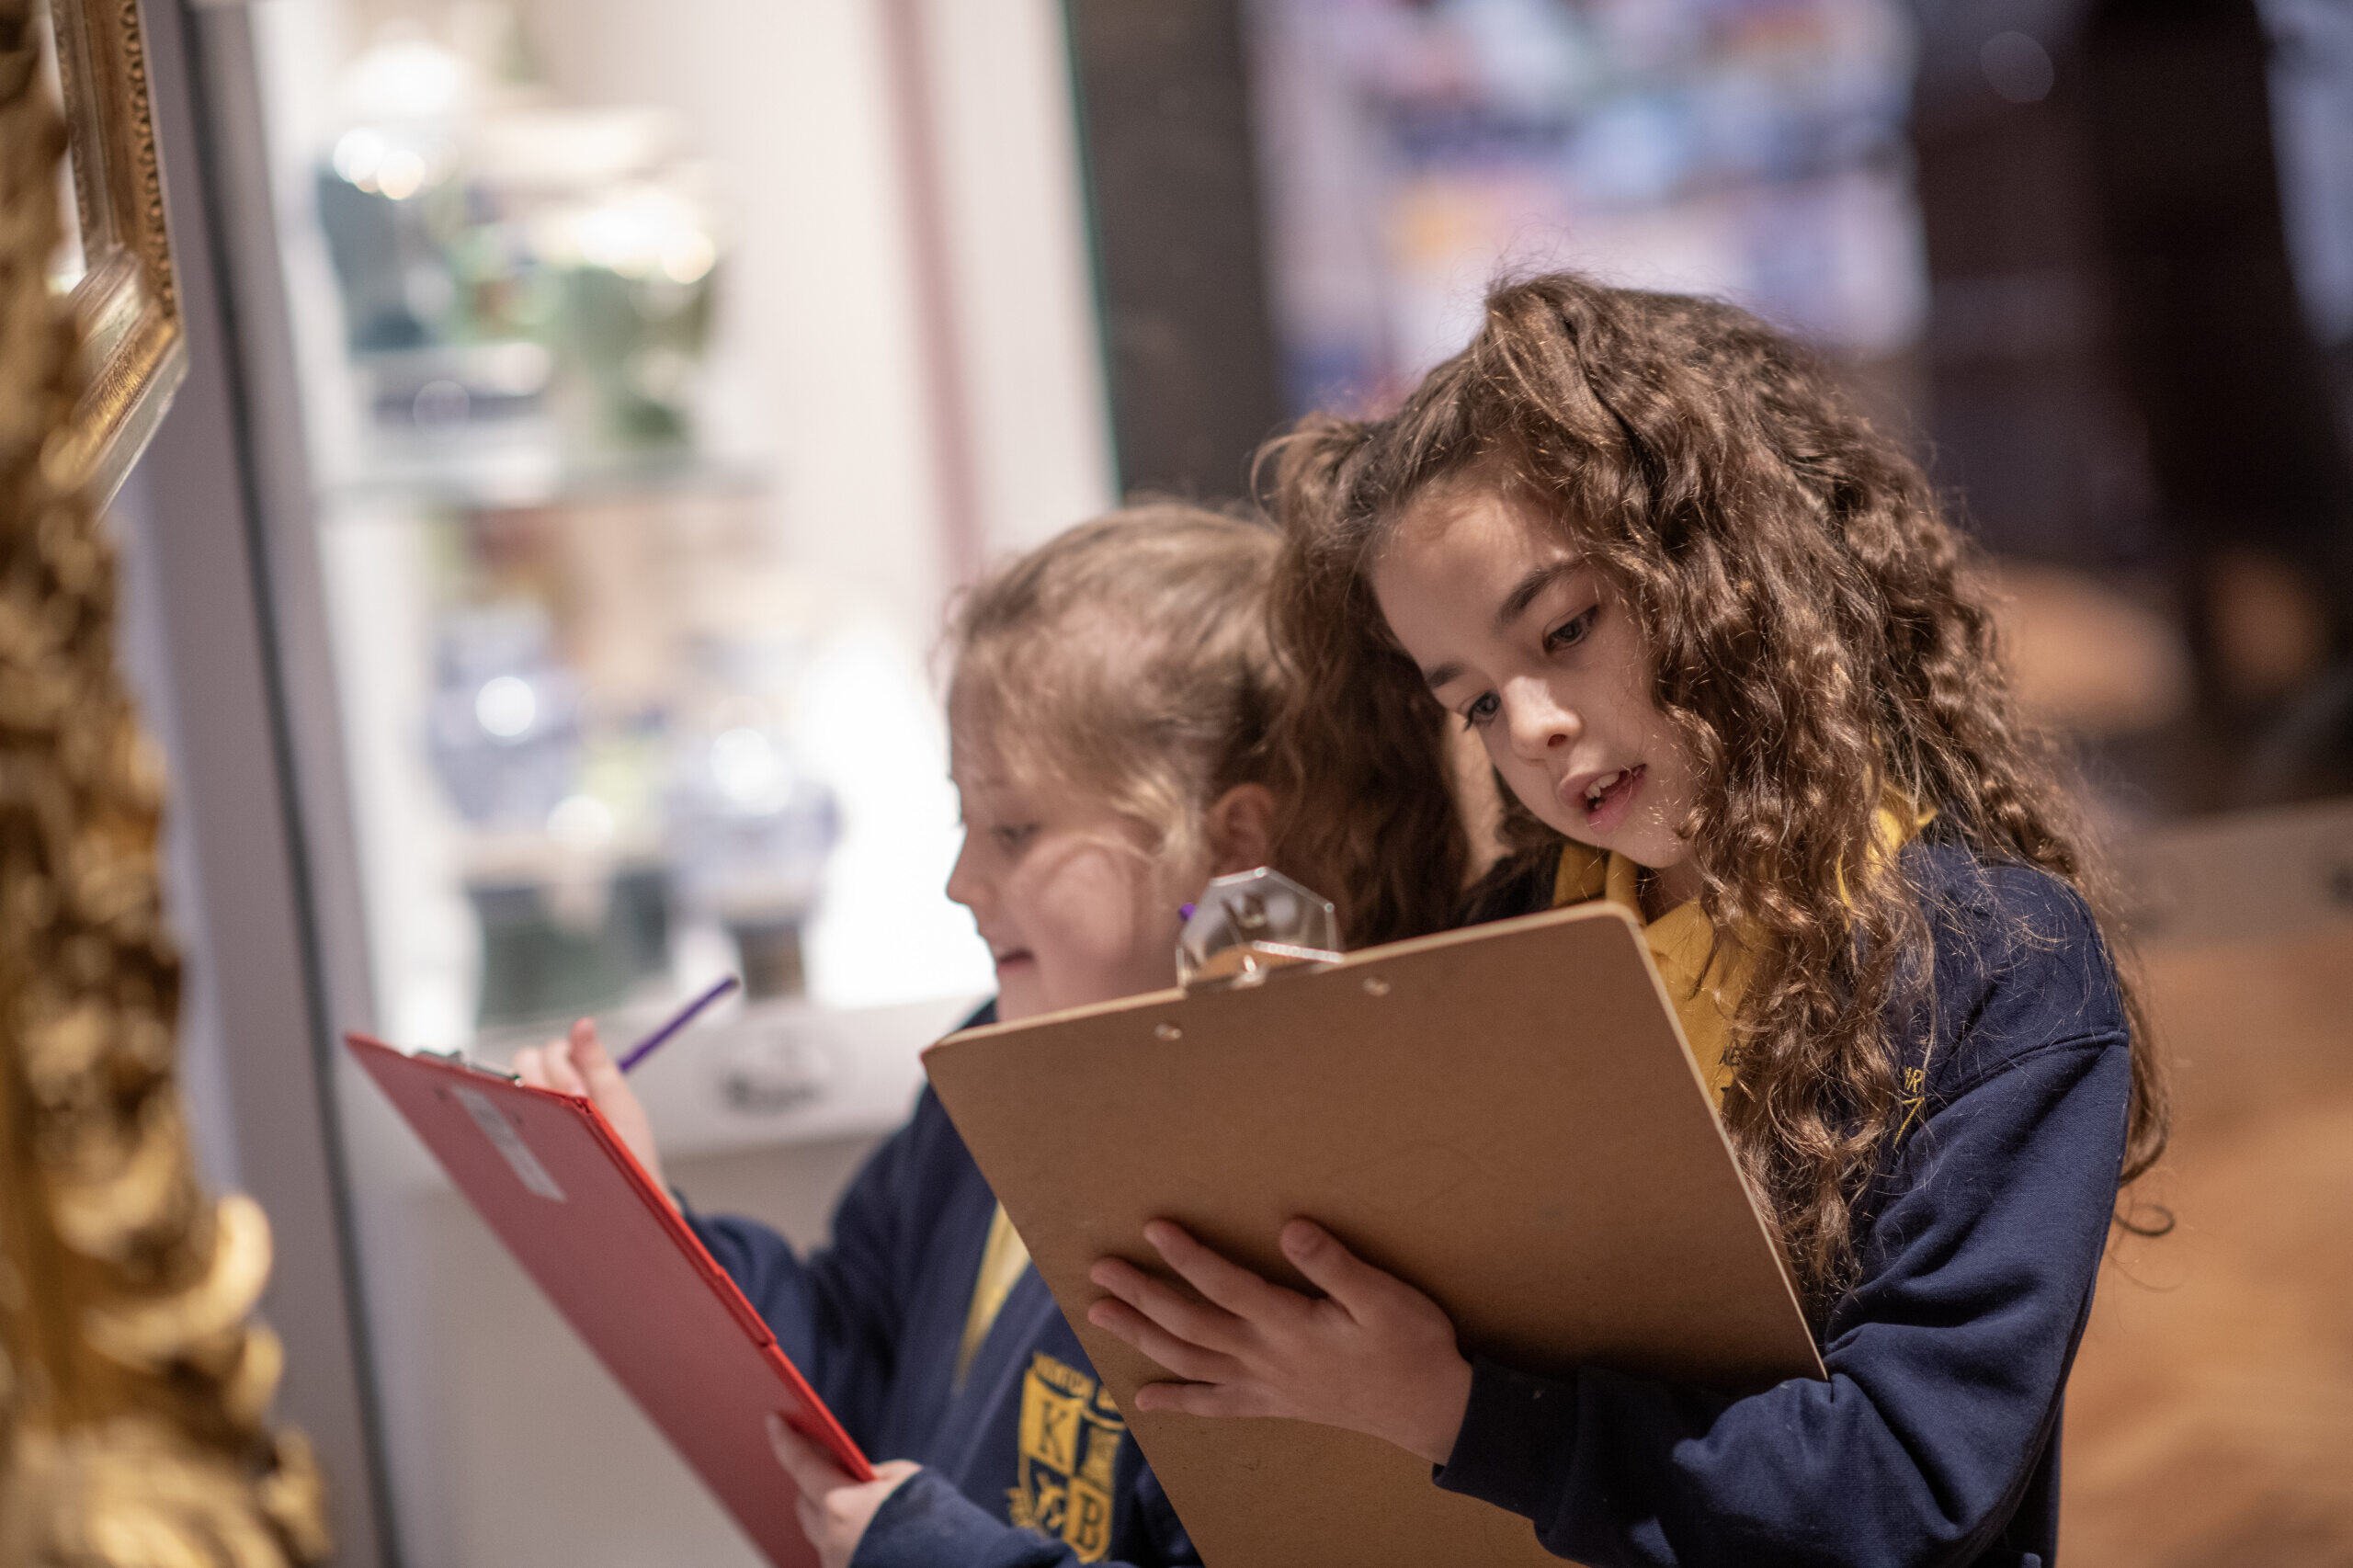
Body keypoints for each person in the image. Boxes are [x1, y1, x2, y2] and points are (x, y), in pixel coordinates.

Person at [1084, 273, 2170, 1568]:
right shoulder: (1494, 946)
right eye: (1474, 700)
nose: (1531, 726)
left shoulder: (2000, 967)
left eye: (1566, 626)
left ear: (1717, 570)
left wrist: (1456, 1411)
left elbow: (1901, 1485)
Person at [518, 505, 1286, 1568]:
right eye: (964, 820)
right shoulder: (986, 1069)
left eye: (1015, 829)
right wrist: (647, 1214)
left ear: (1231, 838)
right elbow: (853, 1359)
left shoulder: (1283, 1180)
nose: (961, 881)